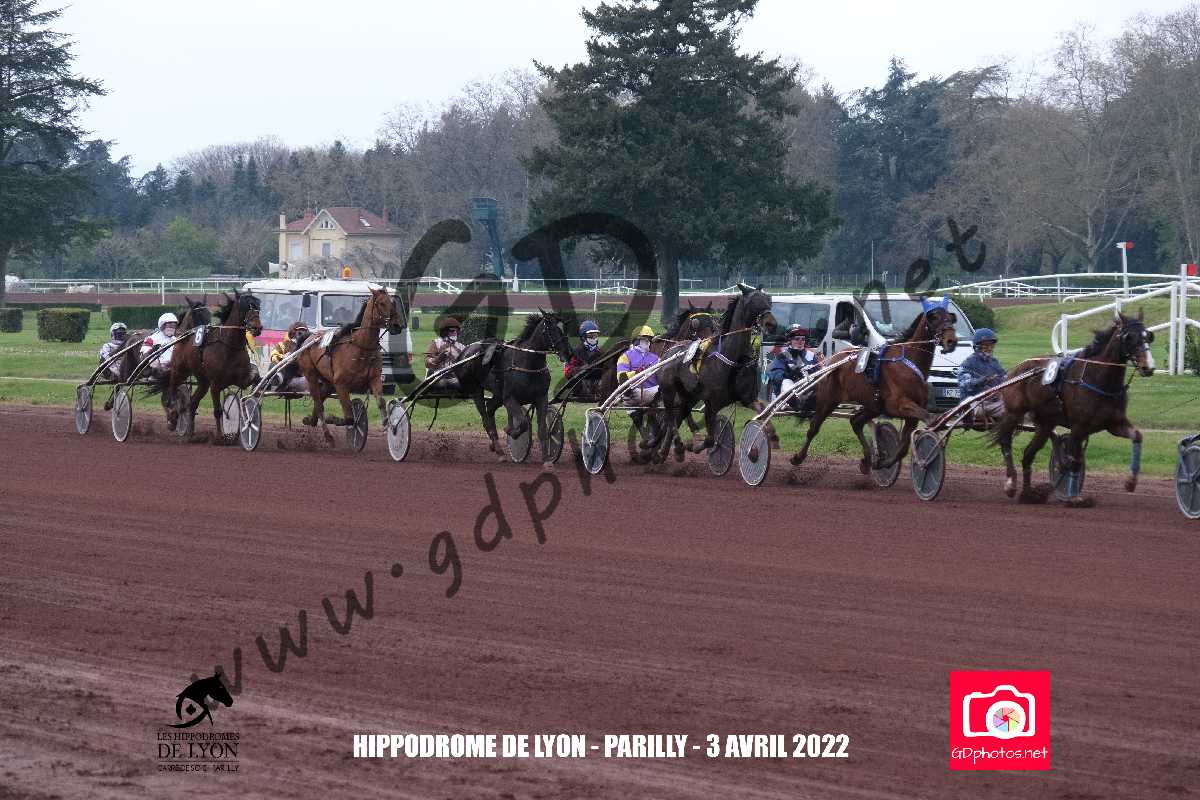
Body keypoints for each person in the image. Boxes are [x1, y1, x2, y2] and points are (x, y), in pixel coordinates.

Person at [617, 325, 661, 437]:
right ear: (636, 340)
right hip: (634, 392)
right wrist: (636, 373)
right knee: (626, 391)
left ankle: (655, 431)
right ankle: (641, 426)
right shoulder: (625, 356)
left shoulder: (656, 358)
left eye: (649, 340)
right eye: (645, 339)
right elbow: (621, 376)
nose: (648, 342)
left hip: (653, 392)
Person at [958, 328, 1007, 425]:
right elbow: (964, 384)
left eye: (991, 345)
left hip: (993, 402)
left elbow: (1005, 379)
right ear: (977, 346)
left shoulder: (995, 363)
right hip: (974, 403)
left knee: (1015, 408)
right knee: (1008, 412)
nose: (989, 348)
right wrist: (982, 380)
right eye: (986, 345)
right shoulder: (968, 362)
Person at [563, 320, 606, 399]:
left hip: (598, 385)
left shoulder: (601, 352)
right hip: (582, 386)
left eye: (595, 335)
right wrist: (582, 369)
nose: (594, 338)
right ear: (583, 337)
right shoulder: (576, 352)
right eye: (590, 336)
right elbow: (567, 372)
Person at [425, 316, 466, 391]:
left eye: (457, 331)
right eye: (452, 331)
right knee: (442, 384)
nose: (455, 333)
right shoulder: (436, 343)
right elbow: (427, 363)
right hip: (438, 376)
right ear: (445, 332)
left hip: (454, 378)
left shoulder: (462, 347)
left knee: (464, 384)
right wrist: (438, 359)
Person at [269, 322, 310, 392]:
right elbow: (274, 355)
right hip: (285, 375)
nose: (301, 334)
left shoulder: (308, 346)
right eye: (299, 332)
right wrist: (284, 358)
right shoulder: (284, 344)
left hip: (302, 378)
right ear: (293, 333)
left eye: (304, 332)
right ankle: (276, 381)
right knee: (273, 364)